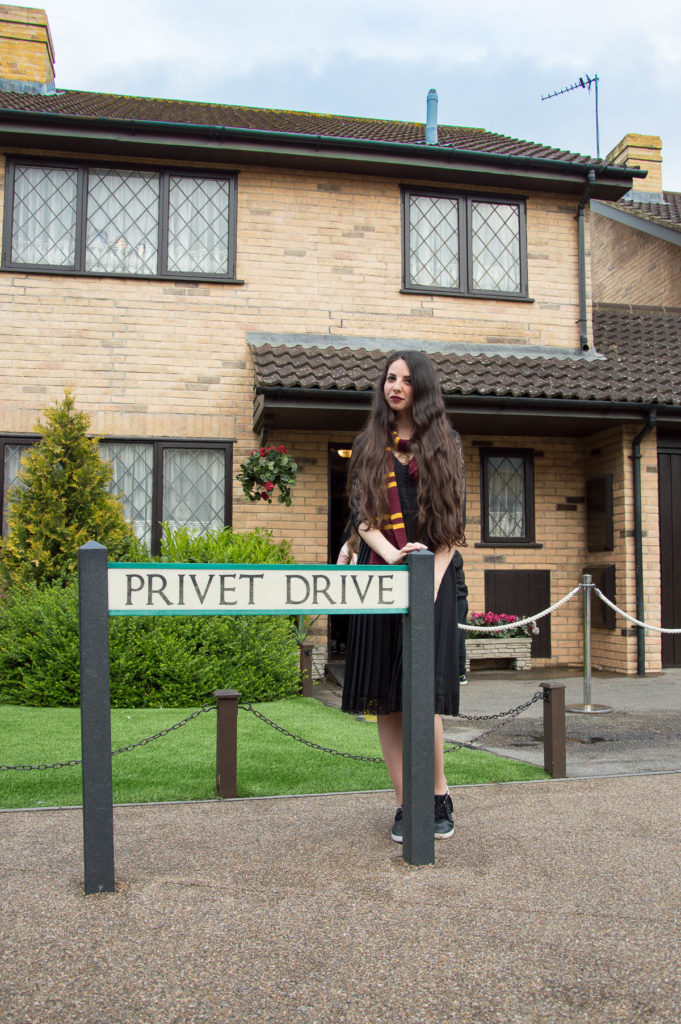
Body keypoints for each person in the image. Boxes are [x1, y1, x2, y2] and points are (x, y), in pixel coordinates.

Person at [341, 350, 466, 843]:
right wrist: (392, 557)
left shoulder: (446, 444)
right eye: (389, 378)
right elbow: (362, 516)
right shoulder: (369, 444)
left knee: (422, 696)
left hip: (434, 575)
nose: (395, 386)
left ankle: (436, 795)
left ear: (423, 388)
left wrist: (425, 585)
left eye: (406, 379)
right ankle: (403, 803)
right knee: (385, 699)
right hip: (381, 574)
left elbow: (451, 528)